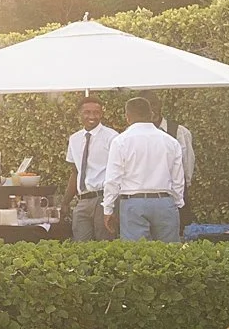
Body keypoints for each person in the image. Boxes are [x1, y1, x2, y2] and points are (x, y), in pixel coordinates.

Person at [104, 96, 186, 243]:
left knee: (136, 256)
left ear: (127, 117)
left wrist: (108, 209)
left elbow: (112, 179)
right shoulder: (170, 141)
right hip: (164, 200)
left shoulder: (121, 141)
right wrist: (177, 201)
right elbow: (178, 178)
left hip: (133, 201)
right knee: (170, 255)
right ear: (151, 114)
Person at [66, 96, 118, 242]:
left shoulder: (112, 137)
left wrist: (111, 202)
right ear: (79, 114)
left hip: (103, 198)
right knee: (81, 245)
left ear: (101, 114)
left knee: (105, 245)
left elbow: (119, 171)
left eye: (96, 112)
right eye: (87, 112)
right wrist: (65, 202)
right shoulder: (74, 139)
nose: (92, 116)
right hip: (82, 200)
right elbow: (75, 171)